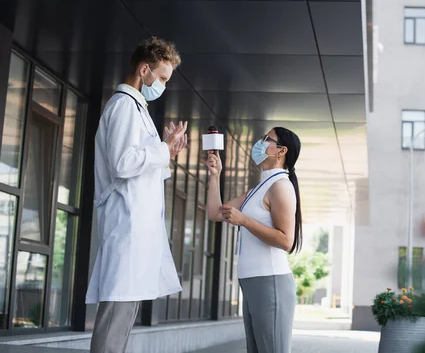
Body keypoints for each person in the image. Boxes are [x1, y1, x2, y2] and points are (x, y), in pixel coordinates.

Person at [86, 36, 188, 353]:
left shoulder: (137, 109)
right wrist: (163, 150)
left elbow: (143, 167)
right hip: (125, 228)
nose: (162, 86)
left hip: (135, 230)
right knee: (115, 318)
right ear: (144, 69)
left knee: (123, 317)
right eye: (161, 78)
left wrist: (167, 152)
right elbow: (122, 163)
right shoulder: (124, 107)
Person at [207, 127, 303, 353]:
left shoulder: (281, 186)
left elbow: (286, 240)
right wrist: (214, 175)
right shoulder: (258, 189)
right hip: (251, 281)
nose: (259, 143)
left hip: (270, 282)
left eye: (266, 139)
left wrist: (245, 221)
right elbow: (214, 213)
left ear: (281, 151)